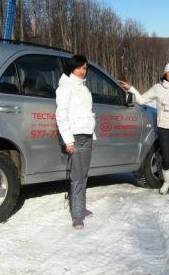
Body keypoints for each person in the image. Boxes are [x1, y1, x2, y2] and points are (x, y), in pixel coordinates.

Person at [119, 62, 169, 198]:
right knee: (166, 157)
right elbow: (142, 100)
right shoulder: (157, 88)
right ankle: (166, 183)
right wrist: (131, 88)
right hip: (164, 127)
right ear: (165, 73)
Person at [56, 55, 96, 229]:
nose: (82, 70)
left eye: (85, 68)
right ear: (72, 68)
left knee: (84, 174)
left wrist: (92, 134)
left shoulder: (83, 87)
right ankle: (77, 216)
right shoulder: (66, 88)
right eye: (79, 67)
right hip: (76, 137)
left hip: (86, 135)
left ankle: (80, 207)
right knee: (77, 177)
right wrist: (68, 140)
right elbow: (61, 115)